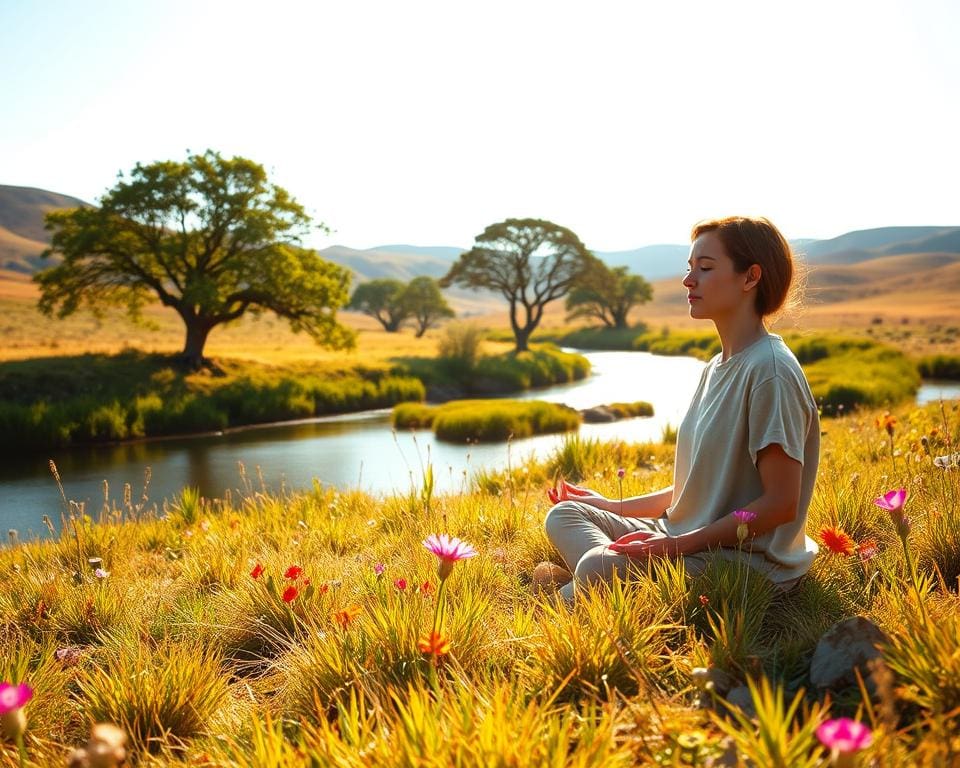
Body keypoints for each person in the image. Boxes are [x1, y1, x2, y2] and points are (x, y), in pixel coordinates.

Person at [544, 216, 820, 603]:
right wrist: (610, 505)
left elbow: (780, 504)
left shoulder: (770, 372)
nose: (689, 281)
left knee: (597, 566)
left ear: (750, 277)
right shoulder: (715, 367)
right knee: (566, 514)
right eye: (689, 269)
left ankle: (573, 596)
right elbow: (700, 489)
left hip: (747, 563)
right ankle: (600, 588)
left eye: (705, 269)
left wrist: (674, 547)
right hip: (687, 540)